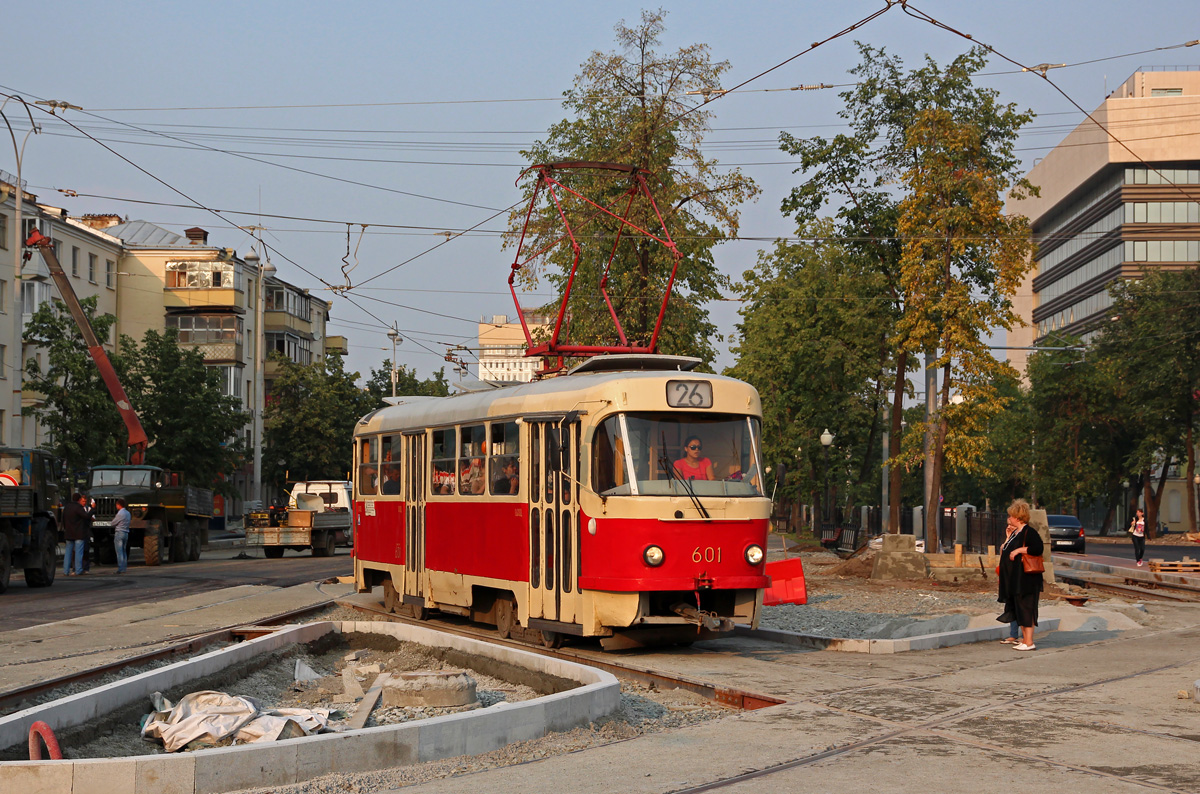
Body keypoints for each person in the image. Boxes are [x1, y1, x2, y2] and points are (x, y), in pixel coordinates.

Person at [997, 498, 1045, 651]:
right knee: (1019, 609)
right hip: (1015, 579)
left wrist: (1019, 550)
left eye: (1011, 516)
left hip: (1026, 579)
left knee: (1026, 608)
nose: (1009, 518)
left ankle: (1029, 642)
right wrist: (1007, 538)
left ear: (1018, 518)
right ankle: (1025, 640)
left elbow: (1038, 548)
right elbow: (1004, 550)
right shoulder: (1015, 533)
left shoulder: (1028, 532)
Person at [63, 493, 90, 577]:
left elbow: (63, 519)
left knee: (68, 552)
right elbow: (86, 516)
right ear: (79, 500)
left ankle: (66, 570)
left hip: (68, 533)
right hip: (78, 533)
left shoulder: (67, 507)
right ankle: (78, 570)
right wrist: (92, 509)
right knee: (79, 552)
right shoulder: (79, 508)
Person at [111, 497, 132, 574]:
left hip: (119, 533)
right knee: (124, 551)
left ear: (119, 505)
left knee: (119, 552)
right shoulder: (128, 513)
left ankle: (120, 568)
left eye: (116, 505)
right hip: (126, 533)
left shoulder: (120, 513)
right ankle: (124, 568)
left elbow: (113, 523)